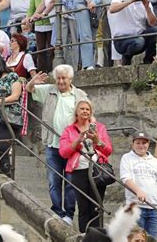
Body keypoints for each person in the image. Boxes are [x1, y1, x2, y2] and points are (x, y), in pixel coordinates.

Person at [26, 65, 88, 225]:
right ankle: (57, 211)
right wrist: (34, 80)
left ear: (70, 79)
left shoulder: (80, 95)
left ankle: (68, 214)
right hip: (52, 144)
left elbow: (89, 115)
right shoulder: (49, 90)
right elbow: (29, 89)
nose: (60, 81)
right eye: (58, 78)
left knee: (70, 181)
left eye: (63, 78)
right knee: (54, 180)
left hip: (72, 146)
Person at [59, 99, 113, 232]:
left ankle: (97, 237)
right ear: (76, 112)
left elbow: (108, 150)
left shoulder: (99, 127)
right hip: (79, 170)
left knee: (96, 207)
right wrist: (77, 141)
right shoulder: (69, 130)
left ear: (91, 113)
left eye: (87, 109)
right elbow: (63, 152)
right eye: (82, 109)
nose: (85, 111)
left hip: (97, 169)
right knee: (83, 207)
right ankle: (85, 236)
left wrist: (97, 140)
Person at [120, 131, 157, 239]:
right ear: (133, 144)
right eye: (138, 143)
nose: (141, 145)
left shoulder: (155, 161)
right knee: (136, 239)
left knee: (152, 239)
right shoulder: (127, 158)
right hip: (136, 208)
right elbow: (125, 178)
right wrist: (138, 190)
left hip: (154, 208)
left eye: (144, 143)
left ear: (148, 144)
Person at [107, 0, 157, 65]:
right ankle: (126, 58)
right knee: (139, 42)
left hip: (138, 35)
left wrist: (147, 7)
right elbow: (112, 9)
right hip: (122, 39)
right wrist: (130, 0)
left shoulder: (143, 0)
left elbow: (153, 23)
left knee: (155, 32)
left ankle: (148, 60)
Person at [26, 0, 55, 73]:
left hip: (49, 23)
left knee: (51, 48)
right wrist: (28, 18)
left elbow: (47, 5)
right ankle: (42, 71)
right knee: (40, 50)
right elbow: (31, 9)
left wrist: (41, 15)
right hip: (39, 25)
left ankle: (52, 70)